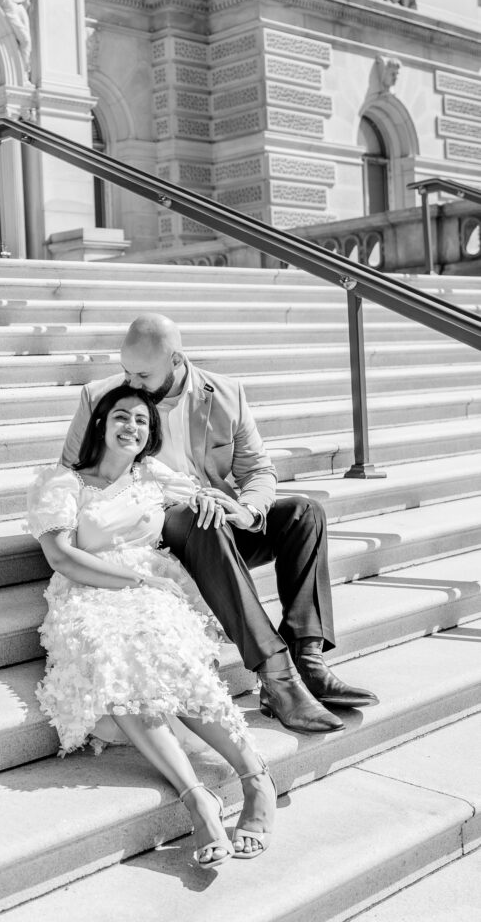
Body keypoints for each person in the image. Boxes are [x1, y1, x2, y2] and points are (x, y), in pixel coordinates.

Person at [62, 315, 378, 735]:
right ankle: (278, 679)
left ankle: (309, 659)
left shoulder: (226, 394)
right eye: (125, 371)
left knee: (304, 513)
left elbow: (258, 471)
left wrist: (245, 511)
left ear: (176, 359)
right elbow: (74, 472)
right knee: (200, 517)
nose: (130, 384)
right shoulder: (100, 397)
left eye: (142, 374)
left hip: (220, 521)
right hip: (154, 525)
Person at [28, 384, 277, 868]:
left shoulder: (153, 476)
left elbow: (203, 495)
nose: (132, 427)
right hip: (88, 590)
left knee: (160, 650)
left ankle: (255, 775)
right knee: (111, 657)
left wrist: (210, 504)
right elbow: (61, 556)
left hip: (156, 587)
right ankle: (198, 799)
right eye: (122, 417)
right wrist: (134, 577)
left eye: (142, 422)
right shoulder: (63, 483)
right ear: (100, 423)